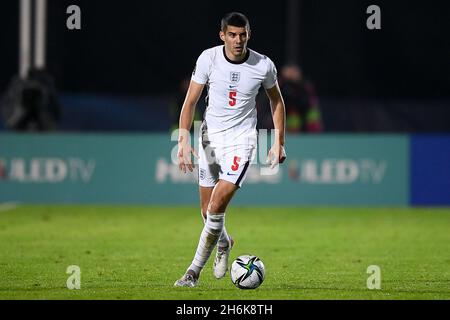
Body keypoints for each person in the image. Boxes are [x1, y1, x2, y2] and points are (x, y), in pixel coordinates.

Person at [174, 12, 287, 287]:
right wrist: (183, 140)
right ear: (222, 35)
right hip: (209, 138)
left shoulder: (263, 65)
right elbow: (190, 102)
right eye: (232, 35)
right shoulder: (208, 59)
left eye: (243, 35)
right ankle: (224, 243)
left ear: (249, 34)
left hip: (241, 141)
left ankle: (192, 273)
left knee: (216, 206)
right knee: (206, 212)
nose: (238, 40)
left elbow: (277, 102)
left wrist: (278, 141)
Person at [279, 64, 323, 133]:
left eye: (295, 72)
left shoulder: (305, 84)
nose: (293, 74)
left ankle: (315, 138)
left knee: (313, 114)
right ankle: (295, 140)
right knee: (293, 118)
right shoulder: (282, 84)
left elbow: (310, 100)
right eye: (290, 72)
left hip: (304, 109)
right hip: (290, 111)